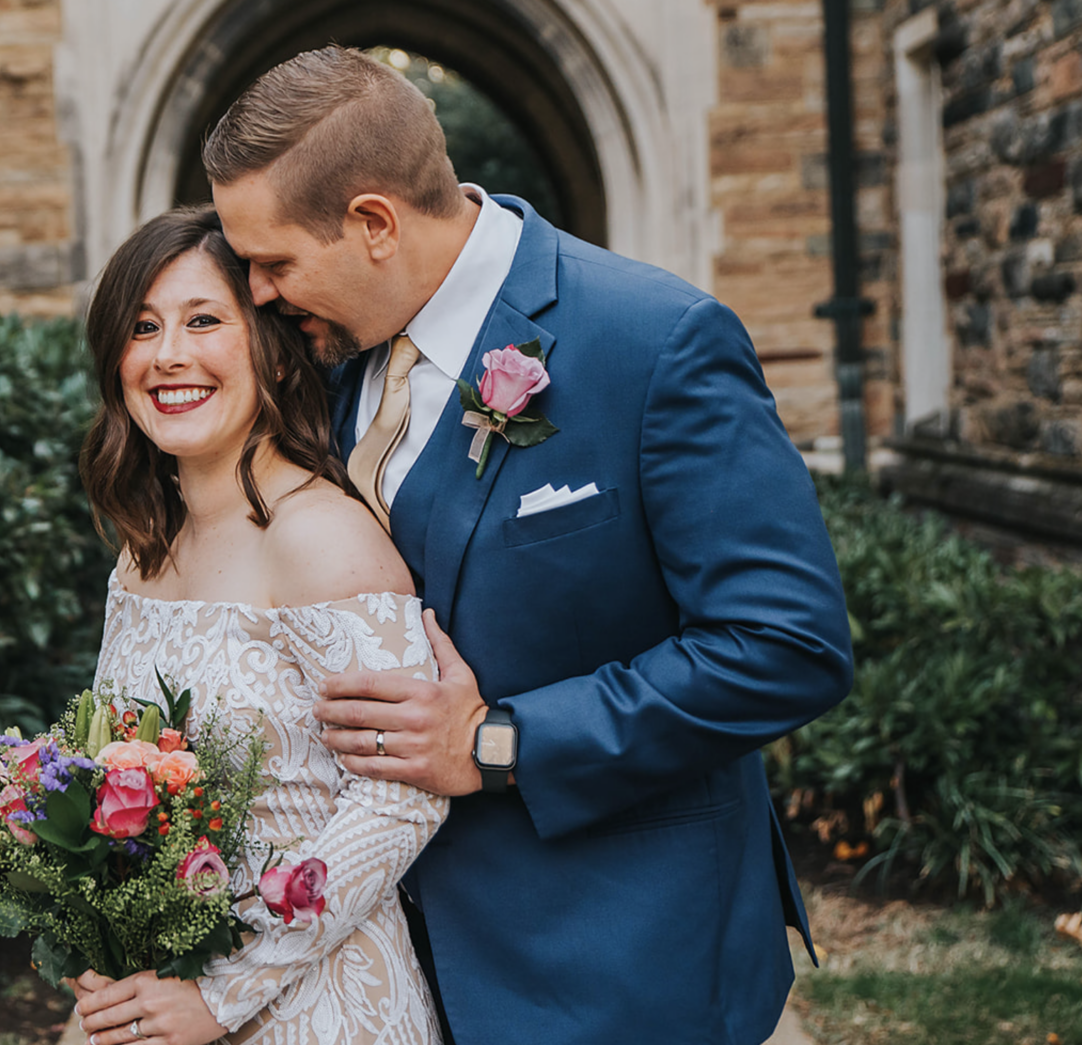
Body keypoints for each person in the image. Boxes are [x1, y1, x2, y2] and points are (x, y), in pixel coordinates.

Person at [195, 46, 856, 1044]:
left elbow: (786, 646)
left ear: (374, 223)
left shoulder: (655, 340)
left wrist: (497, 742)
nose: (258, 293)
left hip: (615, 959)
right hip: (386, 964)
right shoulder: (324, 368)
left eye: (274, 261)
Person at [70, 206, 450, 1045]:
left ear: (269, 351)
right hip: (161, 998)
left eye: (204, 320)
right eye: (142, 327)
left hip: (317, 1004)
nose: (169, 353)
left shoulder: (324, 537)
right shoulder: (142, 552)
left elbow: (400, 799)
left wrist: (224, 994)